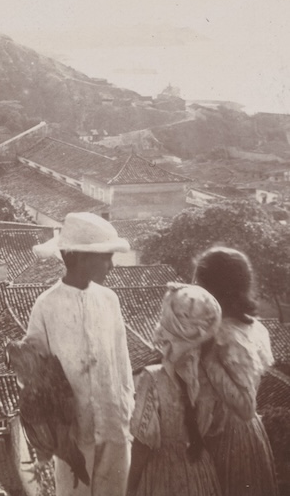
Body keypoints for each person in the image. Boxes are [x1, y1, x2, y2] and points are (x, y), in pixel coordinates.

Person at [25, 212, 134, 496]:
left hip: (114, 428)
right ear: (79, 257)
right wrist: (49, 439)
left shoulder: (110, 301)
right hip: (72, 435)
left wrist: (125, 412)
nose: (110, 265)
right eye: (105, 257)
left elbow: (122, 363)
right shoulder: (46, 306)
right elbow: (34, 378)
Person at [194, 247, 278, 496]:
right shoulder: (253, 328)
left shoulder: (223, 336)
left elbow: (244, 406)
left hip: (226, 438)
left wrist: (207, 358)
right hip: (242, 435)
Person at [127, 284, 223, 496]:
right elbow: (216, 431)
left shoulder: (152, 378)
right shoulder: (211, 379)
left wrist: (130, 489)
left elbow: (142, 445)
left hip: (161, 476)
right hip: (200, 474)